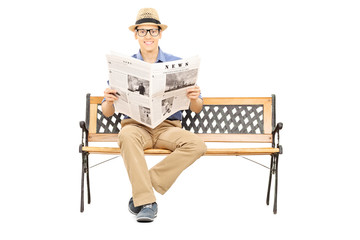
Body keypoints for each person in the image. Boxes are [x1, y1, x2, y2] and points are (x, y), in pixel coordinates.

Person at [101, 8, 207, 222]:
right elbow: (106, 112)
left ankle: (142, 190)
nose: (148, 36)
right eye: (142, 31)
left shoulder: (177, 63)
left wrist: (194, 97)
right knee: (126, 136)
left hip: (167, 128)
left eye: (152, 31)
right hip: (136, 127)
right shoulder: (124, 66)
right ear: (135, 35)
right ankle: (147, 203)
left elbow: (196, 108)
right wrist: (109, 100)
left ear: (160, 33)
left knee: (197, 145)